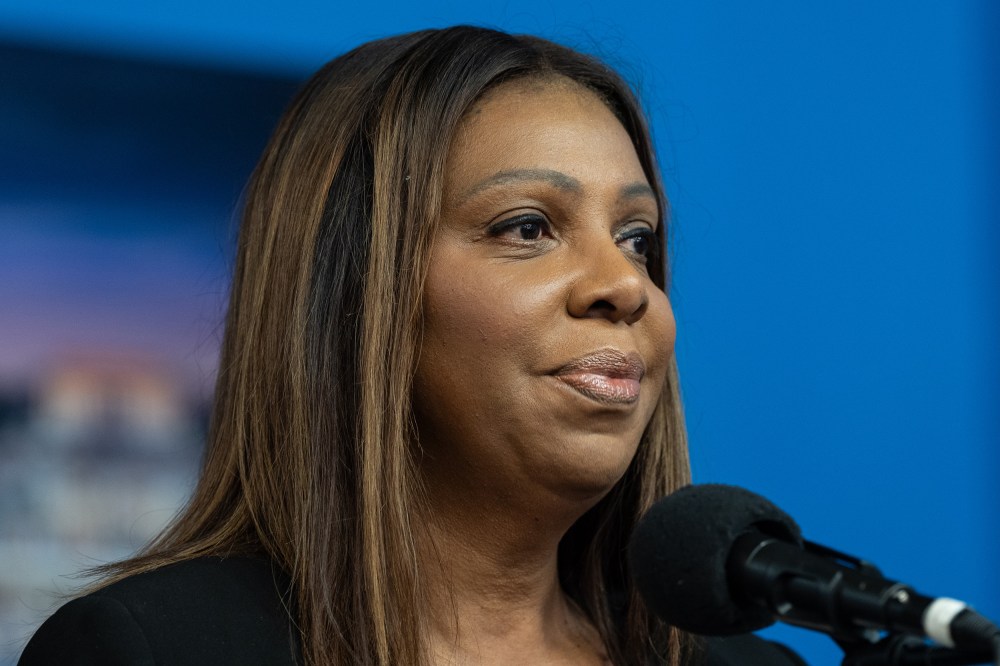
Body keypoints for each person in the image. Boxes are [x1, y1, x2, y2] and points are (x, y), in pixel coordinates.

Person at [19, 26, 806, 665]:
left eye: (636, 238)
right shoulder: (150, 649)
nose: (626, 286)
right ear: (357, 296)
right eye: (527, 228)